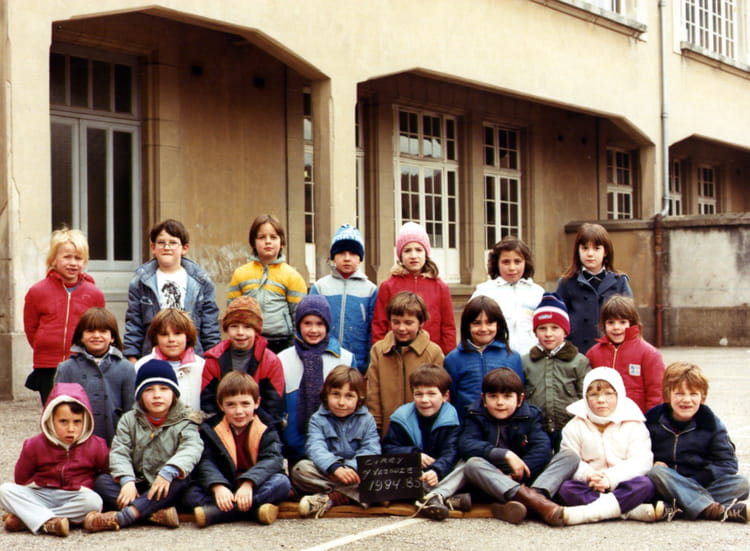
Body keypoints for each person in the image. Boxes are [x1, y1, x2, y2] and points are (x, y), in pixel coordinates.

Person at [85, 359, 204, 532]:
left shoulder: (186, 419)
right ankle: (155, 514)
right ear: (140, 395)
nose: (157, 395)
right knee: (102, 482)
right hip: (139, 483)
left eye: (164, 388)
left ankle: (126, 515)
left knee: (183, 481)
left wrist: (169, 471)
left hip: (167, 483)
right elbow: (120, 451)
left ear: (174, 393)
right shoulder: (129, 420)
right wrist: (127, 480)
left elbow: (191, 448)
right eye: (149, 390)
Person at [556, 367, 663, 525]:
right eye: (593, 394)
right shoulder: (574, 426)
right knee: (565, 489)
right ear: (585, 397)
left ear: (619, 394)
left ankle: (587, 513)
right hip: (591, 485)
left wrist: (610, 478)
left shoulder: (634, 424)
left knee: (646, 485)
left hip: (624, 483)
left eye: (608, 393)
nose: (601, 400)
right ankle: (629, 511)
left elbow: (641, 461)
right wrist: (588, 475)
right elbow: (570, 460)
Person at [0, 382, 108, 537]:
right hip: (42, 493)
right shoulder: (34, 444)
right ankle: (49, 521)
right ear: (50, 419)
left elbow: (105, 472)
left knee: (94, 502)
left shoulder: (96, 445)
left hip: (74, 495)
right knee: (5, 490)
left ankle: (30, 519)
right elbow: (20, 479)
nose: (71, 429)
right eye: (63, 421)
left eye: (77, 422)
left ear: (85, 421)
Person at [646, 361, 749, 522]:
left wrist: (695, 481)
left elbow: (728, 464)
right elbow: (636, 452)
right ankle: (714, 511)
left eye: (693, 394)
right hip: (666, 481)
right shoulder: (652, 420)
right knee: (656, 473)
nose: (686, 400)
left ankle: (677, 508)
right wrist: (651, 463)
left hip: (700, 482)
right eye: (679, 393)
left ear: (702, 397)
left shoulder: (711, 424)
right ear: (668, 394)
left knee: (741, 484)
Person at [188, 372, 292, 527]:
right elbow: (206, 462)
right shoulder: (211, 428)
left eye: (245, 404)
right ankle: (255, 511)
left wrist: (249, 482)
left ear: (257, 403)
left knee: (281, 483)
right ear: (220, 405)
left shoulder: (266, 426)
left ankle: (217, 513)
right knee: (189, 492)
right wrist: (218, 486)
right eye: (231, 404)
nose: (239, 411)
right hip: (226, 485)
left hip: (254, 486)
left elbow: (273, 459)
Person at [23, 227, 105, 404]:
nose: (73, 263)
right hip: (48, 365)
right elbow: (31, 328)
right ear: (53, 259)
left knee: (79, 410)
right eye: (67, 257)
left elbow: (100, 326)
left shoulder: (94, 294)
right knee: (53, 411)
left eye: (78, 258)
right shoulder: (37, 292)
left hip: (82, 363)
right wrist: (45, 347)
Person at [383, 364, 471, 521]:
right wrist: (414, 455)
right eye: (419, 394)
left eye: (431, 394)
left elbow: (451, 453)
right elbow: (388, 448)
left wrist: (437, 471)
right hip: (412, 475)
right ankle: (443, 498)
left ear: (445, 396)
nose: (424, 400)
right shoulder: (401, 417)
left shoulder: (452, 419)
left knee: (467, 463)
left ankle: (432, 496)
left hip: (440, 475)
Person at [124, 219, 220, 361]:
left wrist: (213, 359)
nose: (167, 247)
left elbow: (209, 326)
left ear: (184, 248)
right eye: (161, 243)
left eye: (173, 243)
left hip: (192, 357)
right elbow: (134, 324)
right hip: (152, 356)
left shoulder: (201, 282)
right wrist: (132, 358)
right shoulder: (140, 282)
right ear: (153, 247)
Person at [291, 366, 380, 518]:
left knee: (377, 476)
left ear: (359, 398)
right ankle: (350, 495)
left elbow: (371, 450)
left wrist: (350, 468)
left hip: (355, 473)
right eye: (336, 394)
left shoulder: (367, 420)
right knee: (300, 469)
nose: (341, 402)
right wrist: (334, 467)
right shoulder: (317, 419)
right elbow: (315, 447)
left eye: (349, 396)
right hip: (328, 472)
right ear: (326, 395)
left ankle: (330, 498)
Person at [278, 295, 355, 463]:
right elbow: (277, 406)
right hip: (294, 448)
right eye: (307, 323)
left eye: (319, 324)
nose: (313, 330)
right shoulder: (283, 359)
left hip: (336, 448)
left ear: (327, 325)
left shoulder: (345, 359)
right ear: (298, 324)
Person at [367, 291, 444, 437]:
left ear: (421, 323)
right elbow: (373, 394)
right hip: (388, 430)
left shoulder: (433, 352)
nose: (401, 328)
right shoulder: (378, 351)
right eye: (396, 322)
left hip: (422, 431)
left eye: (408, 323)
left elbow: (438, 396)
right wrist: (375, 427)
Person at [371, 221, 456, 354]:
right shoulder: (388, 286)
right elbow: (379, 325)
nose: (413, 256)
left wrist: (447, 357)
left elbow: (448, 328)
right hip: (396, 354)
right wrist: (381, 354)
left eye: (418, 250)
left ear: (426, 253)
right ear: (400, 255)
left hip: (430, 355)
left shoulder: (440, 287)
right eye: (407, 250)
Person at [200, 296, 284, 430]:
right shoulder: (214, 359)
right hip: (221, 428)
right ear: (226, 329)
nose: (240, 333)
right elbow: (208, 405)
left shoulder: (270, 361)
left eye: (247, 327)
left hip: (260, 427)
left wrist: (254, 430)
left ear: (256, 330)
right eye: (234, 326)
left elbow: (273, 407)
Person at [228, 214, 308, 354]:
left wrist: (295, 346)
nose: (268, 242)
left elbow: (299, 316)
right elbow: (232, 313)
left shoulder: (292, 276)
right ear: (253, 242)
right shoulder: (240, 274)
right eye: (262, 237)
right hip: (248, 342)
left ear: (282, 242)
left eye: (273, 237)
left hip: (282, 343)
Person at [54, 307, 135, 445]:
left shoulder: (126, 368)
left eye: (103, 331)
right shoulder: (67, 369)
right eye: (90, 331)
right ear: (81, 336)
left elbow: (131, 410)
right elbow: (57, 410)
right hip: (77, 442)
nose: (96, 335)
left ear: (112, 337)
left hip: (115, 442)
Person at [522, 293, 590, 451]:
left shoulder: (579, 361)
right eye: (542, 328)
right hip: (536, 429)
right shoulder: (526, 362)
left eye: (555, 328)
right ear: (535, 332)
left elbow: (585, 397)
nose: (548, 334)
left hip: (569, 428)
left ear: (565, 331)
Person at [555, 223, 632, 353]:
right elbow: (557, 319)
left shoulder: (620, 282)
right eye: (585, 248)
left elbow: (631, 321)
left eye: (596, 248)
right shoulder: (566, 282)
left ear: (605, 251)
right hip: (576, 352)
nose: (590, 254)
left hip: (611, 351)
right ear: (578, 250)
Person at [310, 224, 377, 371]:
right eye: (341, 253)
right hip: (324, 361)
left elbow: (373, 331)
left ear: (360, 258)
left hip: (358, 366)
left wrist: (369, 365)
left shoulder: (371, 290)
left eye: (353, 253)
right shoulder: (320, 287)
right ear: (333, 257)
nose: (347, 258)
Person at [444, 296, 522, 422]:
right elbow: (451, 398)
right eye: (477, 323)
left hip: (505, 427)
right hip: (467, 426)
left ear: (498, 325)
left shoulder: (512, 357)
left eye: (489, 322)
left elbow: (518, 397)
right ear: (467, 326)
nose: (484, 328)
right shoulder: (453, 359)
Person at [585, 295, 664, 413]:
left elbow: (656, 394)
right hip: (603, 417)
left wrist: (651, 420)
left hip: (636, 418)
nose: (616, 327)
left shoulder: (649, 354)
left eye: (622, 322)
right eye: (611, 322)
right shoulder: (593, 354)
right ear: (603, 325)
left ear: (632, 323)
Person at [471, 236, 544, 354]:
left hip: (531, 356)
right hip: (496, 356)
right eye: (506, 262)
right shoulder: (484, 292)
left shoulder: (537, 292)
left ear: (526, 262)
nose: (512, 268)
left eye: (517, 261)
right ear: (496, 263)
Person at [134, 308, 205, 411]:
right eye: (164, 334)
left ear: (188, 336)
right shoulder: (142, 366)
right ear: (156, 338)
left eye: (177, 333)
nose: (171, 339)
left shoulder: (201, 366)